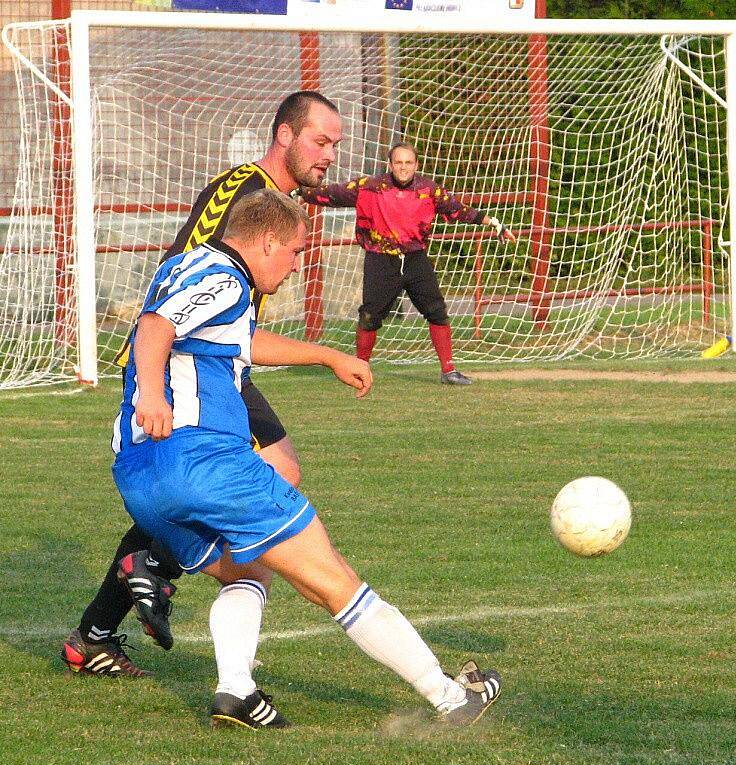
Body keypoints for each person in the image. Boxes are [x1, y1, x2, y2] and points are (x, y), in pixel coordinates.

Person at [112, 188, 502, 728]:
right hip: (206, 461)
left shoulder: (189, 266)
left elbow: (236, 340)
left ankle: (236, 692)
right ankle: (451, 698)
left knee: (246, 572)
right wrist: (154, 394)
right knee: (336, 581)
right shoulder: (225, 278)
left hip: (140, 475)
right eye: (295, 252)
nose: (296, 267)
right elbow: (155, 327)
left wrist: (325, 355)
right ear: (268, 240)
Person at [61, 90, 343, 676]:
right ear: (285, 136)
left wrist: (323, 355)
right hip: (180, 365)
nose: (330, 156)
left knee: (267, 471)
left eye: (335, 145)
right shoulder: (239, 193)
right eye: (321, 141)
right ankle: (155, 567)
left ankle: (100, 625)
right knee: (261, 474)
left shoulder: (276, 204)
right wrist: (152, 384)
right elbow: (179, 295)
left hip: (213, 361)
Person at [300, 142, 513, 385]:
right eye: (398, 162)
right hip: (380, 259)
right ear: (390, 165)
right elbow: (332, 194)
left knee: (437, 311)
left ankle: (449, 371)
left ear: (416, 165)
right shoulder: (369, 187)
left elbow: (456, 209)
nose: (403, 167)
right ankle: (359, 369)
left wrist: (494, 223)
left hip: (415, 259)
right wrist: (298, 190)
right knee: (370, 316)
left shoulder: (429, 190)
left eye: (408, 162)